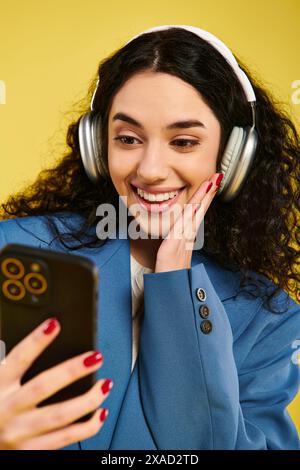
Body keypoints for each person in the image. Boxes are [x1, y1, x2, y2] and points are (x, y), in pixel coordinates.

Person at [0, 24, 299, 450]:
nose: (150, 169)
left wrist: (178, 285)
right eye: (128, 138)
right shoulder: (12, 253)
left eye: (183, 141)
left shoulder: (269, 318)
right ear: (96, 146)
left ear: (233, 159)